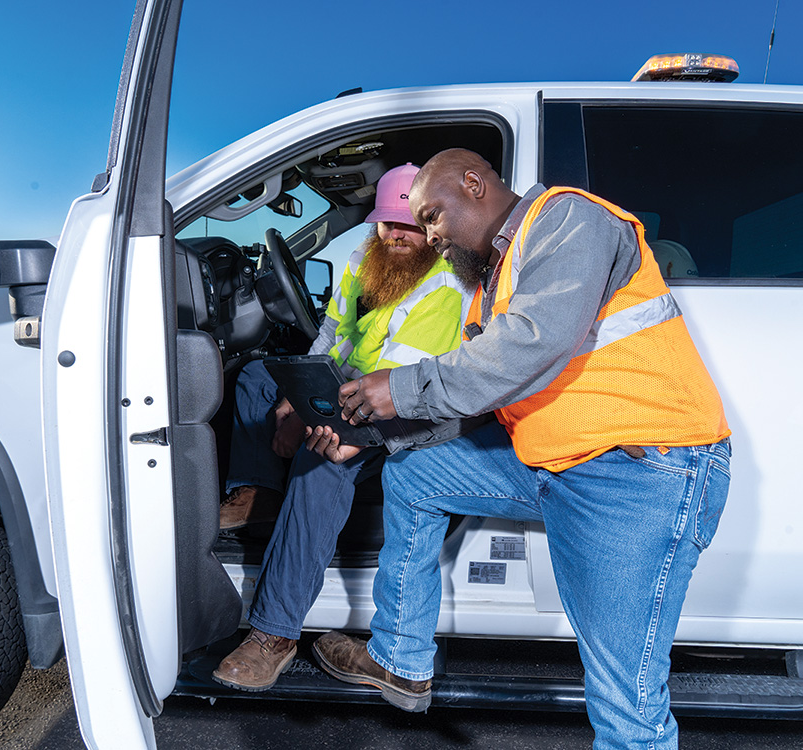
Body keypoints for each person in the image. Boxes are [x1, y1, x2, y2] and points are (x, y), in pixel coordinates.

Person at [308, 149, 732, 749]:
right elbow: (481, 400)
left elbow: (531, 346)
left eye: (432, 215)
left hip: (640, 470)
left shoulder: (567, 221)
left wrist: (398, 389)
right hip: (556, 458)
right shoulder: (492, 281)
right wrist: (366, 435)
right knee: (416, 474)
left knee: (623, 701)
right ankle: (402, 660)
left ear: (475, 185)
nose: (429, 234)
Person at [213, 163, 469, 692]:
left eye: (409, 225)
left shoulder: (444, 284)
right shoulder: (364, 259)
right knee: (258, 376)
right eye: (386, 223)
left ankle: (273, 634)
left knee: (320, 459)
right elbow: (331, 336)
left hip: (404, 413)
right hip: (352, 388)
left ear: (430, 224)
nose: (395, 235)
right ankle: (257, 494)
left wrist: (313, 421)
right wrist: (292, 395)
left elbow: (396, 390)